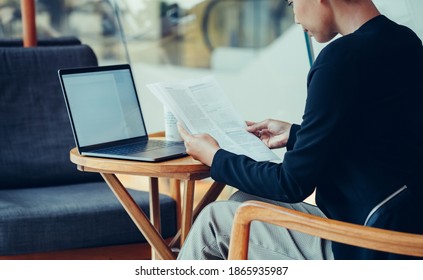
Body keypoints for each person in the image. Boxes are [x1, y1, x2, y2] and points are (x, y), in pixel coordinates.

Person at [176, 0, 423, 260]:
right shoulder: (405, 41)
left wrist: (215, 157)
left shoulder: (339, 59)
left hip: (365, 245)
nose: (294, 16)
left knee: (214, 222)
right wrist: (297, 134)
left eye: (292, 2)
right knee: (242, 200)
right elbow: (378, 143)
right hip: (403, 233)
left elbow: (291, 184)